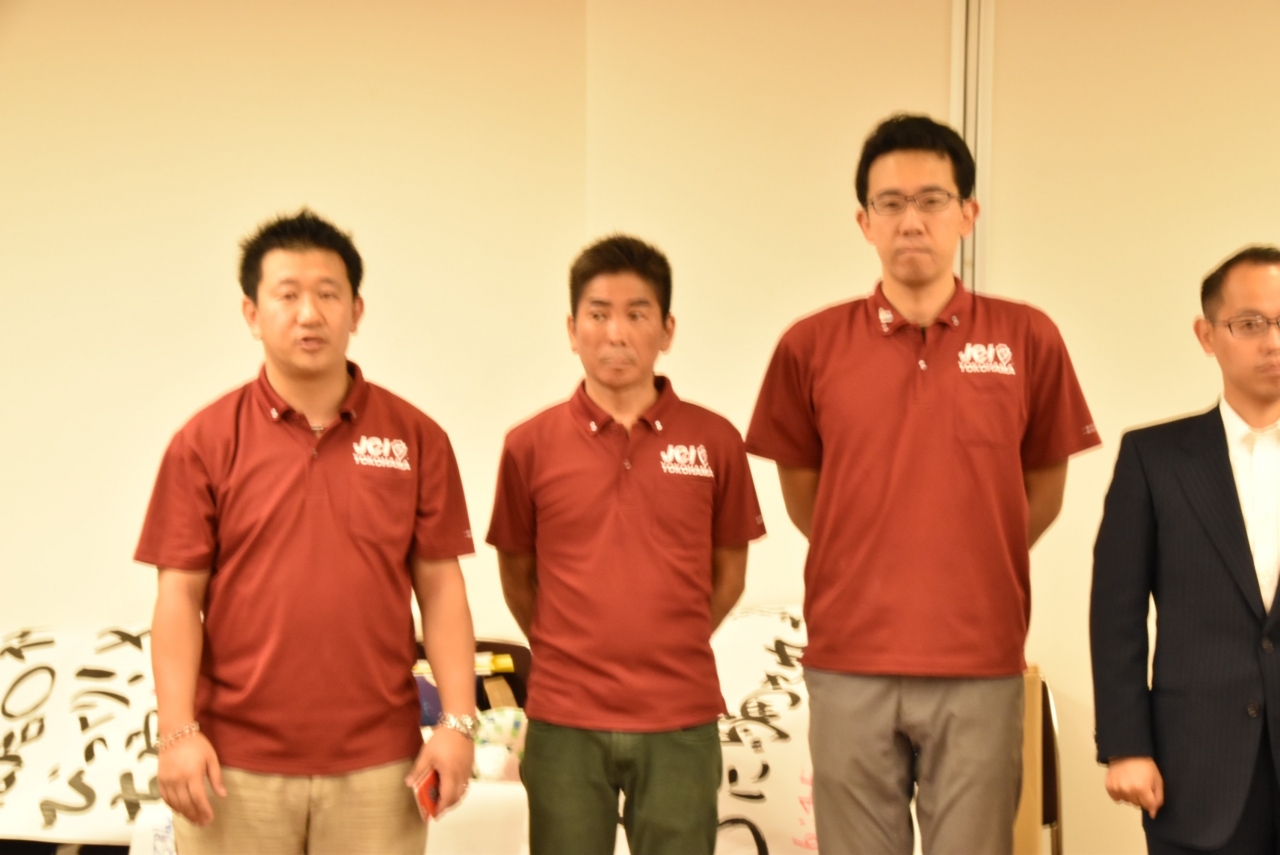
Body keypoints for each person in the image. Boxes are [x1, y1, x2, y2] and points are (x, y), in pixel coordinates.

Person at [745, 113, 1100, 854]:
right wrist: (868, 545)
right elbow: (808, 496)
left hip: (981, 658)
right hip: (849, 658)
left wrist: (975, 551)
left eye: (933, 200)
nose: (912, 220)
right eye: (891, 203)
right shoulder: (810, 346)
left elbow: (1043, 486)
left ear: (968, 214)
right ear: (864, 221)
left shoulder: (1027, 338)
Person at [135, 209, 478, 855]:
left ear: (357, 310)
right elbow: (178, 597)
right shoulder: (204, 441)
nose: (309, 314)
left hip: (381, 765)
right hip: (235, 766)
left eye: (327, 294)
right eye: (287, 295)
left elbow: (441, 589)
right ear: (251, 313)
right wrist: (177, 731)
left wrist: (458, 722)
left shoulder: (416, 437)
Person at [486, 234, 766, 855]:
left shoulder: (715, 440)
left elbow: (729, 575)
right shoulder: (528, 445)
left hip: (679, 716)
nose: (616, 333)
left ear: (667, 330)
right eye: (598, 314)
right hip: (565, 719)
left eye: (637, 314)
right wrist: (568, 647)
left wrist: (670, 639)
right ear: (572, 329)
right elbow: (517, 574)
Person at [1092, 245, 1280, 854]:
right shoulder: (1154, 458)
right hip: (1199, 768)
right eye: (1250, 323)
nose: (1273, 342)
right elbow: (1116, 614)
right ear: (1207, 335)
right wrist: (1126, 745)